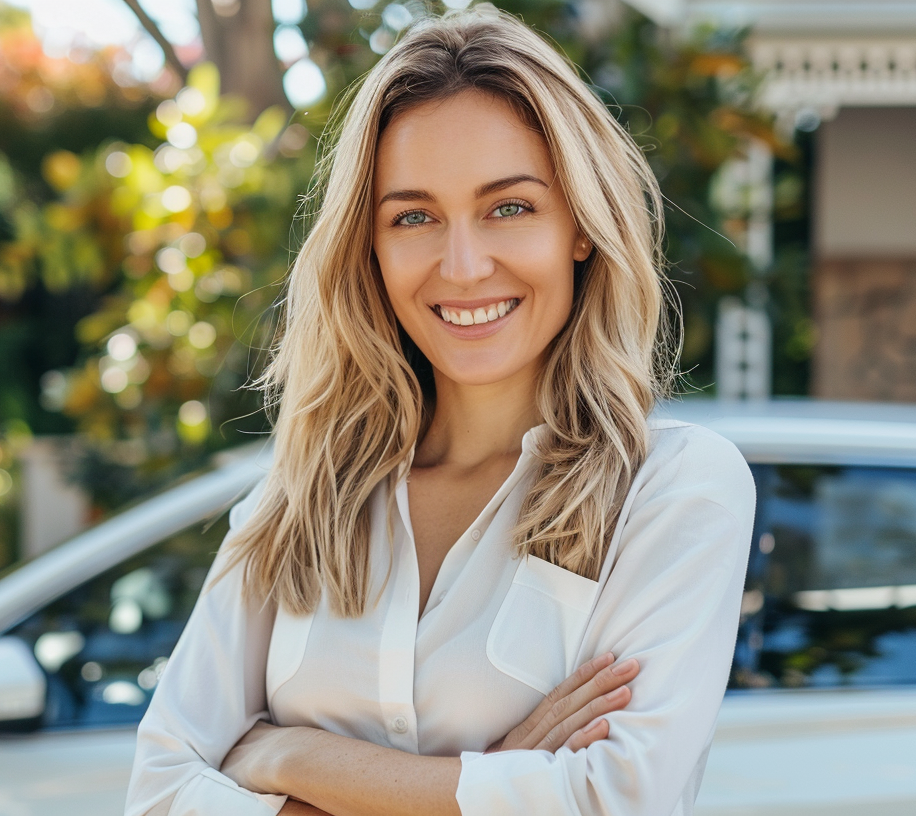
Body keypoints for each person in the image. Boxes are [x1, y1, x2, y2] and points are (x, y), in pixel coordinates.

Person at [126, 9, 755, 815]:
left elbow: (613, 801)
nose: (462, 266)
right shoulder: (299, 499)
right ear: (372, 247)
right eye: (414, 217)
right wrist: (501, 780)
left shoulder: (671, 491)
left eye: (510, 207)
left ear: (581, 228)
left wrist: (285, 754)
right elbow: (156, 795)